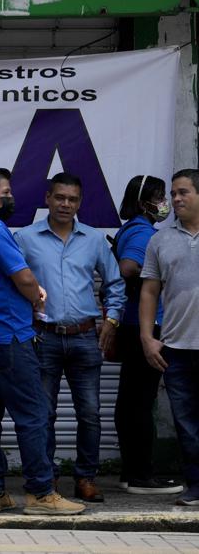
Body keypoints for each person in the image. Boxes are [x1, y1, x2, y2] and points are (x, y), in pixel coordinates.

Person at [0, 167, 84, 516]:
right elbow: (23, 276)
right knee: (34, 413)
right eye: (6, 193)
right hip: (7, 334)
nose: (10, 198)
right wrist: (36, 296)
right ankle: (41, 492)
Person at [14, 172, 126, 503]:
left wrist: (113, 320)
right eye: (59, 197)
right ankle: (44, 477)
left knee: (89, 412)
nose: (66, 204)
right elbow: (11, 283)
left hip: (83, 337)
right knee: (42, 413)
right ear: (47, 198)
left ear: (80, 202)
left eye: (72, 199)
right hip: (43, 337)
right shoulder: (25, 239)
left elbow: (116, 284)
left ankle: (86, 478)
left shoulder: (93, 239)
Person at [112, 175, 183, 495]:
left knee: (132, 400)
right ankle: (140, 475)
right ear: (144, 203)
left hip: (131, 324)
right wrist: (162, 275)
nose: (166, 202)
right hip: (144, 325)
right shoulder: (142, 232)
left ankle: (132, 472)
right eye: (160, 196)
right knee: (140, 401)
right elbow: (128, 267)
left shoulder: (132, 229)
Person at [139, 169, 199, 507]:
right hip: (176, 348)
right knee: (186, 423)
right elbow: (149, 291)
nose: (175, 199)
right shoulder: (160, 239)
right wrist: (148, 338)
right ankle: (196, 486)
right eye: (173, 193)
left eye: (183, 192)